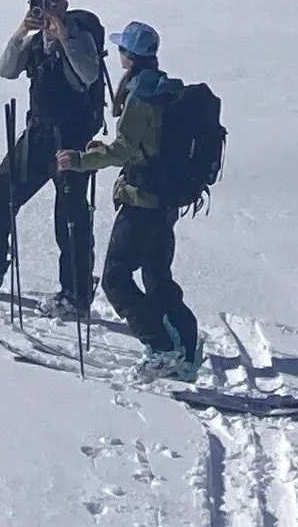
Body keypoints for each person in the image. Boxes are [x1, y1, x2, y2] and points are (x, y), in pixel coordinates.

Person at [57, 20, 201, 374]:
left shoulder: (140, 97)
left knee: (116, 279)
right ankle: (186, 347)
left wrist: (80, 160)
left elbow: (123, 151)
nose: (118, 53)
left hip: (140, 202)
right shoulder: (166, 90)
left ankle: (161, 347)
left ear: (129, 56)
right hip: (165, 202)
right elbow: (144, 146)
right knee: (157, 276)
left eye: (122, 49)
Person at [0, 0, 107, 311]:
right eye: (38, 2)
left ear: (64, 5)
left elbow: (89, 76)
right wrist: (21, 32)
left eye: (52, 2)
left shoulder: (80, 37)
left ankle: (76, 293)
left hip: (73, 141)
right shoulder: (35, 42)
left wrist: (64, 38)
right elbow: (6, 70)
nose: (45, 9)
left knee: (70, 216)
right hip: (38, 134)